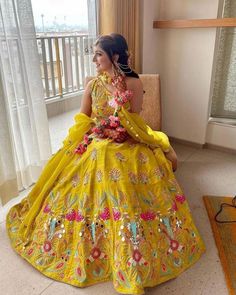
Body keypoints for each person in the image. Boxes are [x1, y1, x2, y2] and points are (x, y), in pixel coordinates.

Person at [6, 33, 205, 295]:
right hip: (98, 138)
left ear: (115, 56)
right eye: (94, 53)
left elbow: (135, 121)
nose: (93, 59)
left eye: (98, 53)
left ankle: (129, 240)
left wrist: (120, 126)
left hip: (128, 141)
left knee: (120, 161)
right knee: (96, 155)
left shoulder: (133, 83)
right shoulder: (92, 85)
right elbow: (83, 117)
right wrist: (87, 135)